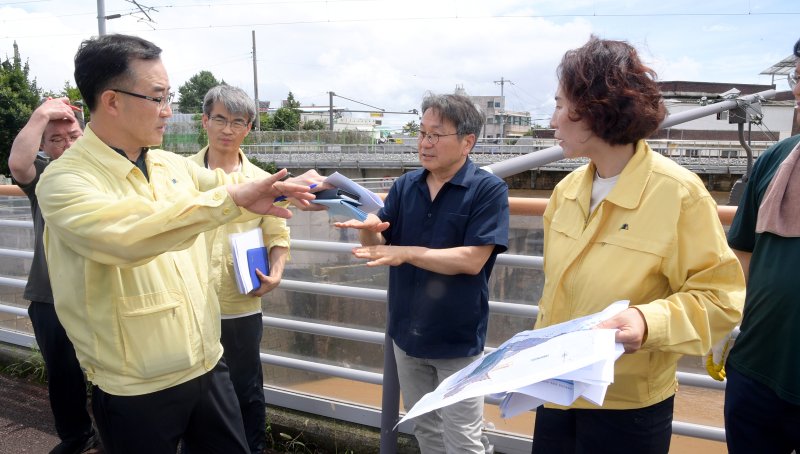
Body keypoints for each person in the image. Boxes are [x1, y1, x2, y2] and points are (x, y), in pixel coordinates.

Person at [35, 34, 318, 454]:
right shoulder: (65, 180)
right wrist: (232, 199)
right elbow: (127, 235)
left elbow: (228, 185)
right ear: (112, 101)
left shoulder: (170, 164)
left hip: (206, 361)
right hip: (136, 384)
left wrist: (285, 189)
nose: (168, 111)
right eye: (158, 98)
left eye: (168, 97)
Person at [531, 36, 744, 453]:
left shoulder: (678, 193)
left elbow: (720, 299)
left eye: (559, 105)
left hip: (627, 406)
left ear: (596, 107)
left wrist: (648, 322)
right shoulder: (566, 192)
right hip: (555, 390)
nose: (553, 121)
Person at [336, 93, 509, 453]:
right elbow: (382, 243)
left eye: (436, 134)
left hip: (457, 339)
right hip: (406, 334)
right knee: (426, 430)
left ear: (467, 142)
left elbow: (472, 259)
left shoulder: (487, 190)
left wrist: (407, 252)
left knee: (463, 440)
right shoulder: (406, 186)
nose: (425, 143)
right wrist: (368, 228)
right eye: (422, 133)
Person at [188, 85, 290, 454]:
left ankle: (252, 449)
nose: (227, 129)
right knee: (192, 390)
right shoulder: (181, 175)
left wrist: (275, 272)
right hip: (189, 303)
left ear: (248, 128)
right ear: (205, 121)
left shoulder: (263, 180)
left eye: (237, 122)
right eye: (220, 119)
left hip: (239, 304)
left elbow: (278, 234)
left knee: (246, 389)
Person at [8, 97, 100, 454]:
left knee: (112, 373)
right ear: (44, 147)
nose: (66, 145)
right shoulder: (44, 176)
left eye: (73, 136)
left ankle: (115, 435)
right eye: (56, 140)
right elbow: (18, 164)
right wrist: (42, 113)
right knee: (63, 375)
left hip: (100, 292)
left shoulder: (105, 170)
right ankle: (77, 438)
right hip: (50, 294)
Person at [722, 37, 800, 454]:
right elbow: (743, 253)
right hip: (757, 369)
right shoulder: (777, 159)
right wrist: (729, 325)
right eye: (798, 78)